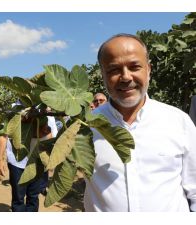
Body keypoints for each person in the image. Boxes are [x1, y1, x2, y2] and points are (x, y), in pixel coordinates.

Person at [84, 33, 196, 212]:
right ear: (103, 75)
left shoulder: (178, 121)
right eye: (114, 69)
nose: (126, 77)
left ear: (149, 70)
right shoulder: (85, 125)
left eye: (134, 67)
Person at [0, 114, 56, 212]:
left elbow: (51, 137)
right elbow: (3, 135)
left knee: (33, 197)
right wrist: (0, 159)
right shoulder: (14, 111)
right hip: (17, 162)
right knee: (18, 198)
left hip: (37, 163)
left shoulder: (47, 115)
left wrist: (44, 131)